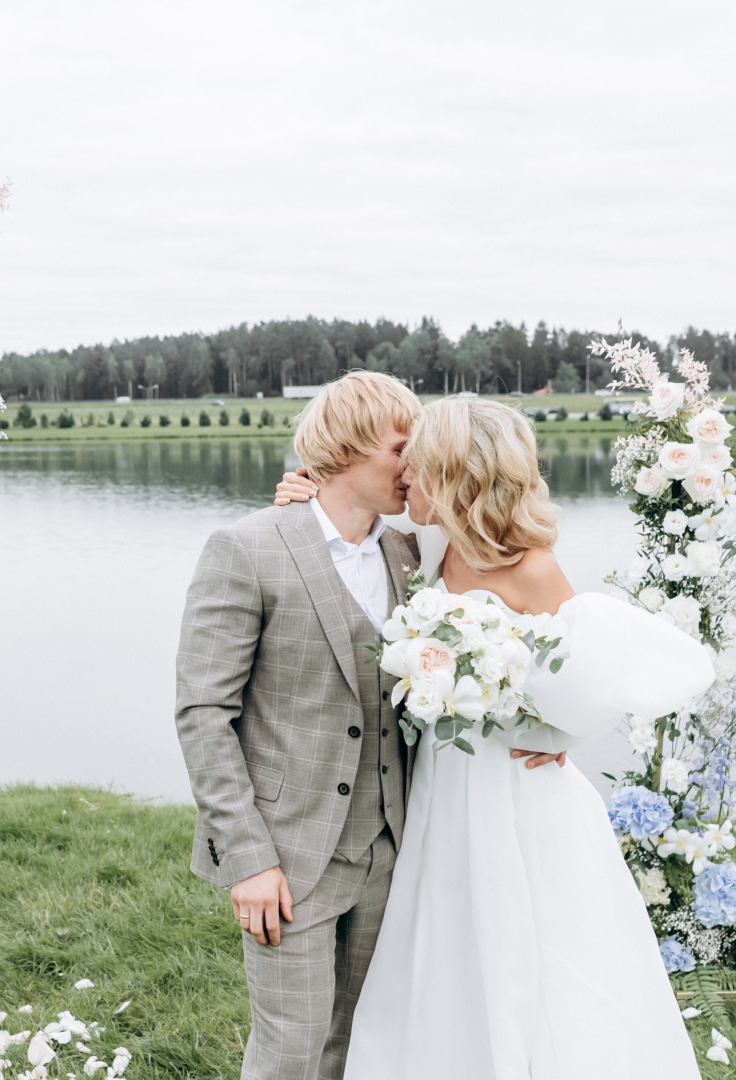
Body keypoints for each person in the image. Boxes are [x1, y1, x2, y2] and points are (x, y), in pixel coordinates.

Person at [274, 396, 713, 1079]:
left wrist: (562, 730)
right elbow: (339, 532)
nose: (404, 484)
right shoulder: (423, 547)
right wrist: (300, 492)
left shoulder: (531, 566)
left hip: (513, 790)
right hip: (438, 788)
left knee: (524, 944)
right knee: (441, 935)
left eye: (414, 469)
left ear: (451, 476)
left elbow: (586, 664)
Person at [174, 373, 557, 1080]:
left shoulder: (412, 556)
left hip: (392, 850)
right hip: (287, 857)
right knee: (289, 1050)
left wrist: (549, 727)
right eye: (401, 448)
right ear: (348, 447)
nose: (414, 468)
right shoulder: (247, 547)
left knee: (359, 1044)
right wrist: (248, 858)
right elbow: (204, 714)